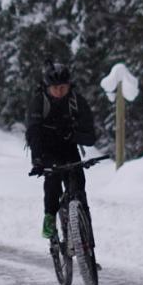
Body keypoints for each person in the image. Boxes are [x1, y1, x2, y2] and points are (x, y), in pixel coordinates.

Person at [25, 59, 97, 239]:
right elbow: (33, 133)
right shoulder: (39, 102)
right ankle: (49, 217)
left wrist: (73, 135)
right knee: (53, 181)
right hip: (46, 149)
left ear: (69, 86)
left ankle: (86, 241)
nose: (59, 92)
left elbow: (90, 136)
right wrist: (37, 160)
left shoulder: (77, 102)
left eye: (63, 87)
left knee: (79, 186)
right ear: (47, 87)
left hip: (69, 149)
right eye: (55, 88)